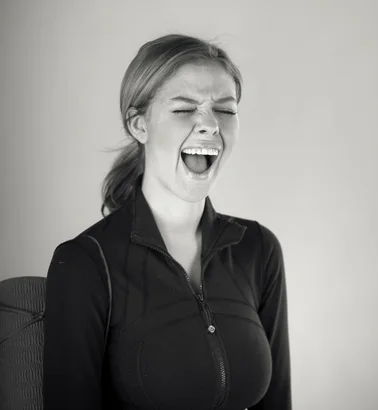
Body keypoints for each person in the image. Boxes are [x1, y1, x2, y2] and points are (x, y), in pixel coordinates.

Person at [43, 34, 292, 410]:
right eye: (184, 109)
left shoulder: (259, 248)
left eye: (225, 110)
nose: (210, 124)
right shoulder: (85, 264)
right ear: (138, 125)